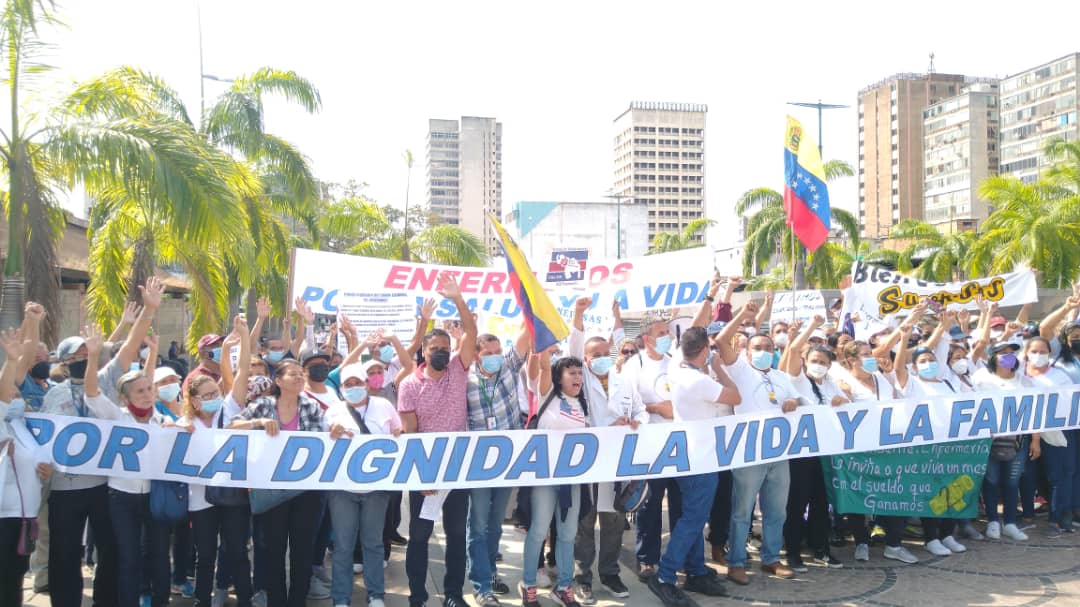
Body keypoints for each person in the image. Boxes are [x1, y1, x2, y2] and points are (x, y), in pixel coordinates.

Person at [42, 277, 163, 607]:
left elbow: (129, 346)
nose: (85, 356)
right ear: (64, 363)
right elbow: (43, 438)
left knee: (109, 552)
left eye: (89, 350)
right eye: (78, 354)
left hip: (102, 487)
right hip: (64, 489)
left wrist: (149, 310)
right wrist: (40, 462)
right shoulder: (53, 395)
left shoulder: (107, 379)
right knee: (64, 553)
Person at [397, 272, 476, 607]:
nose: (442, 353)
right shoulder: (409, 386)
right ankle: (417, 595)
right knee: (419, 536)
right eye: (435, 349)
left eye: (446, 348)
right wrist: (420, 475)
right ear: (424, 352)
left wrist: (457, 298)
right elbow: (410, 433)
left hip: (457, 467)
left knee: (457, 535)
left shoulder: (459, 369)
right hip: (426, 471)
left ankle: (454, 594)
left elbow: (471, 333)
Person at [647, 326, 738, 607]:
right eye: (709, 349)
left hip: (689, 454)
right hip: (700, 457)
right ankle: (665, 575)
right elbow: (735, 396)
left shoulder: (676, 366)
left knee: (692, 517)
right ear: (704, 351)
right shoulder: (699, 381)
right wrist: (719, 368)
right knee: (694, 520)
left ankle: (696, 570)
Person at [714, 302, 804, 585]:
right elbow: (719, 340)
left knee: (777, 510)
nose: (765, 351)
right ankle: (737, 561)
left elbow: (799, 399)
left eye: (769, 347)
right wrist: (744, 314)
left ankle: (771, 558)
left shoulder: (780, 376)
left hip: (779, 453)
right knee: (742, 511)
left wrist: (794, 401)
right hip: (749, 453)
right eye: (758, 347)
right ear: (748, 351)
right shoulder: (740, 370)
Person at [81, 327, 172, 607]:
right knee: (129, 557)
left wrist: (153, 352)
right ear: (124, 398)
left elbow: (145, 378)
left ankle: (161, 601)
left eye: (149, 390)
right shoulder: (115, 416)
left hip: (155, 496)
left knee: (159, 556)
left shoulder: (161, 419)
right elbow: (92, 394)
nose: (146, 395)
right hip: (121, 498)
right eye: (139, 392)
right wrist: (94, 357)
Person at [230, 354, 329, 607]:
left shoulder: (311, 407)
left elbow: (324, 441)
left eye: (301, 374)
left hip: (306, 493)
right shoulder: (263, 405)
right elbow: (231, 425)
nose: (298, 378)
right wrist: (257, 422)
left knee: (302, 552)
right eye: (292, 374)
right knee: (272, 551)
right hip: (271, 493)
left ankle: (297, 601)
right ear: (278, 380)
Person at [569, 298, 641, 605]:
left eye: (603, 354)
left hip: (617, 463)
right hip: (589, 463)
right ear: (585, 360)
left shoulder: (623, 380)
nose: (600, 358)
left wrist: (637, 421)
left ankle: (609, 573)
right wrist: (579, 314)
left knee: (612, 522)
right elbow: (573, 347)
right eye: (593, 355)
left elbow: (641, 411)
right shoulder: (580, 380)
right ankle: (582, 577)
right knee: (585, 523)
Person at [520, 352, 595, 607]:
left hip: (572, 480)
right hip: (544, 476)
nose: (577, 377)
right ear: (559, 378)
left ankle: (564, 587)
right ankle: (528, 584)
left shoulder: (584, 404)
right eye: (571, 373)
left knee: (567, 534)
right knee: (539, 531)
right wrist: (541, 351)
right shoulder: (548, 395)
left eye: (579, 373)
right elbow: (541, 365)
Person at [325, 363, 403, 607]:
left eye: (357, 383)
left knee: (373, 544)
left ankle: (376, 595)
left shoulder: (384, 406)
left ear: (366, 384)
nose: (353, 388)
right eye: (348, 385)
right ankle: (340, 598)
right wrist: (331, 432)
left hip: (376, 490)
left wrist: (399, 433)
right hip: (342, 491)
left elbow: (399, 433)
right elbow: (323, 446)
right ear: (342, 389)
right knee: (343, 547)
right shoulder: (333, 411)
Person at [465, 323, 530, 607]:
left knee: (495, 525)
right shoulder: (465, 380)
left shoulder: (507, 369)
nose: (495, 356)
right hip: (479, 465)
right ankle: (481, 584)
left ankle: (490, 573)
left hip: (506, 463)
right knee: (478, 525)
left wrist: (531, 305)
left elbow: (525, 337)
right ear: (478, 355)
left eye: (498, 351)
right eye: (489, 352)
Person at [894, 323, 970, 557]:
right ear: (914, 367)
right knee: (931, 491)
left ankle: (948, 533)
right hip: (926, 448)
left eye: (931, 359)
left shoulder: (948, 382)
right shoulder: (913, 384)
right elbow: (898, 369)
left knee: (953, 489)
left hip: (953, 446)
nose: (928, 364)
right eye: (922, 361)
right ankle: (931, 537)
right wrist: (905, 339)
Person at [780, 317, 849, 572]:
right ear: (806, 363)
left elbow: (845, 403)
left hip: (824, 452)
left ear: (829, 365)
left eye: (823, 362)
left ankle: (821, 548)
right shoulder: (798, 381)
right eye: (814, 361)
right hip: (801, 452)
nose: (818, 365)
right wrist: (807, 328)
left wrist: (843, 401)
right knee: (797, 503)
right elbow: (794, 351)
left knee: (821, 502)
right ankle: (793, 552)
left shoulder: (829, 383)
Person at [1, 327, 54, 607]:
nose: (15, 395)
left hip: (23, 517)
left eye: (16, 392)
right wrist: (11, 360)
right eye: (9, 392)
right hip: (3, 514)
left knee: (14, 579)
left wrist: (46, 473)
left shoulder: (23, 425)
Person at [972, 340, 1034, 541]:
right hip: (990, 441)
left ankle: (1009, 523)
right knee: (990, 481)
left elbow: (1035, 413)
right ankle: (992, 521)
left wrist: (1036, 440)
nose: (1008, 356)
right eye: (1002, 352)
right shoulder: (981, 379)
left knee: (1012, 481)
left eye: (1011, 352)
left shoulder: (1025, 382)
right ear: (992, 357)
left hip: (1018, 441)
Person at [1023, 336, 1077, 537]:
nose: (1038, 355)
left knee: (1058, 476)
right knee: (1027, 476)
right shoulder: (1019, 376)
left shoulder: (1060, 376)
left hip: (1055, 433)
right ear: (1026, 353)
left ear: (1050, 353)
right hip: (1025, 433)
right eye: (1034, 351)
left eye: (1043, 351)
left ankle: (1056, 519)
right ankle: (1027, 516)